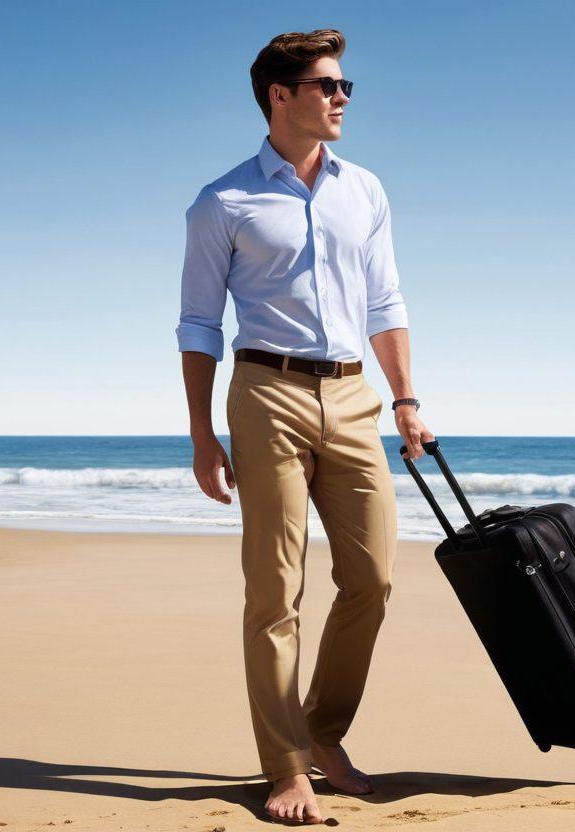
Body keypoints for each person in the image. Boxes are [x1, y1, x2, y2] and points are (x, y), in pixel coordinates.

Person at [175, 28, 433, 825]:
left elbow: (385, 303)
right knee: (274, 592)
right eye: (328, 85)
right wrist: (200, 435)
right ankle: (285, 769)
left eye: (346, 86)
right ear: (279, 95)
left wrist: (406, 400)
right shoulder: (222, 201)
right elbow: (196, 323)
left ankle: (324, 731)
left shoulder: (367, 190)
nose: (342, 98)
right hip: (266, 393)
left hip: (354, 397)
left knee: (372, 580)